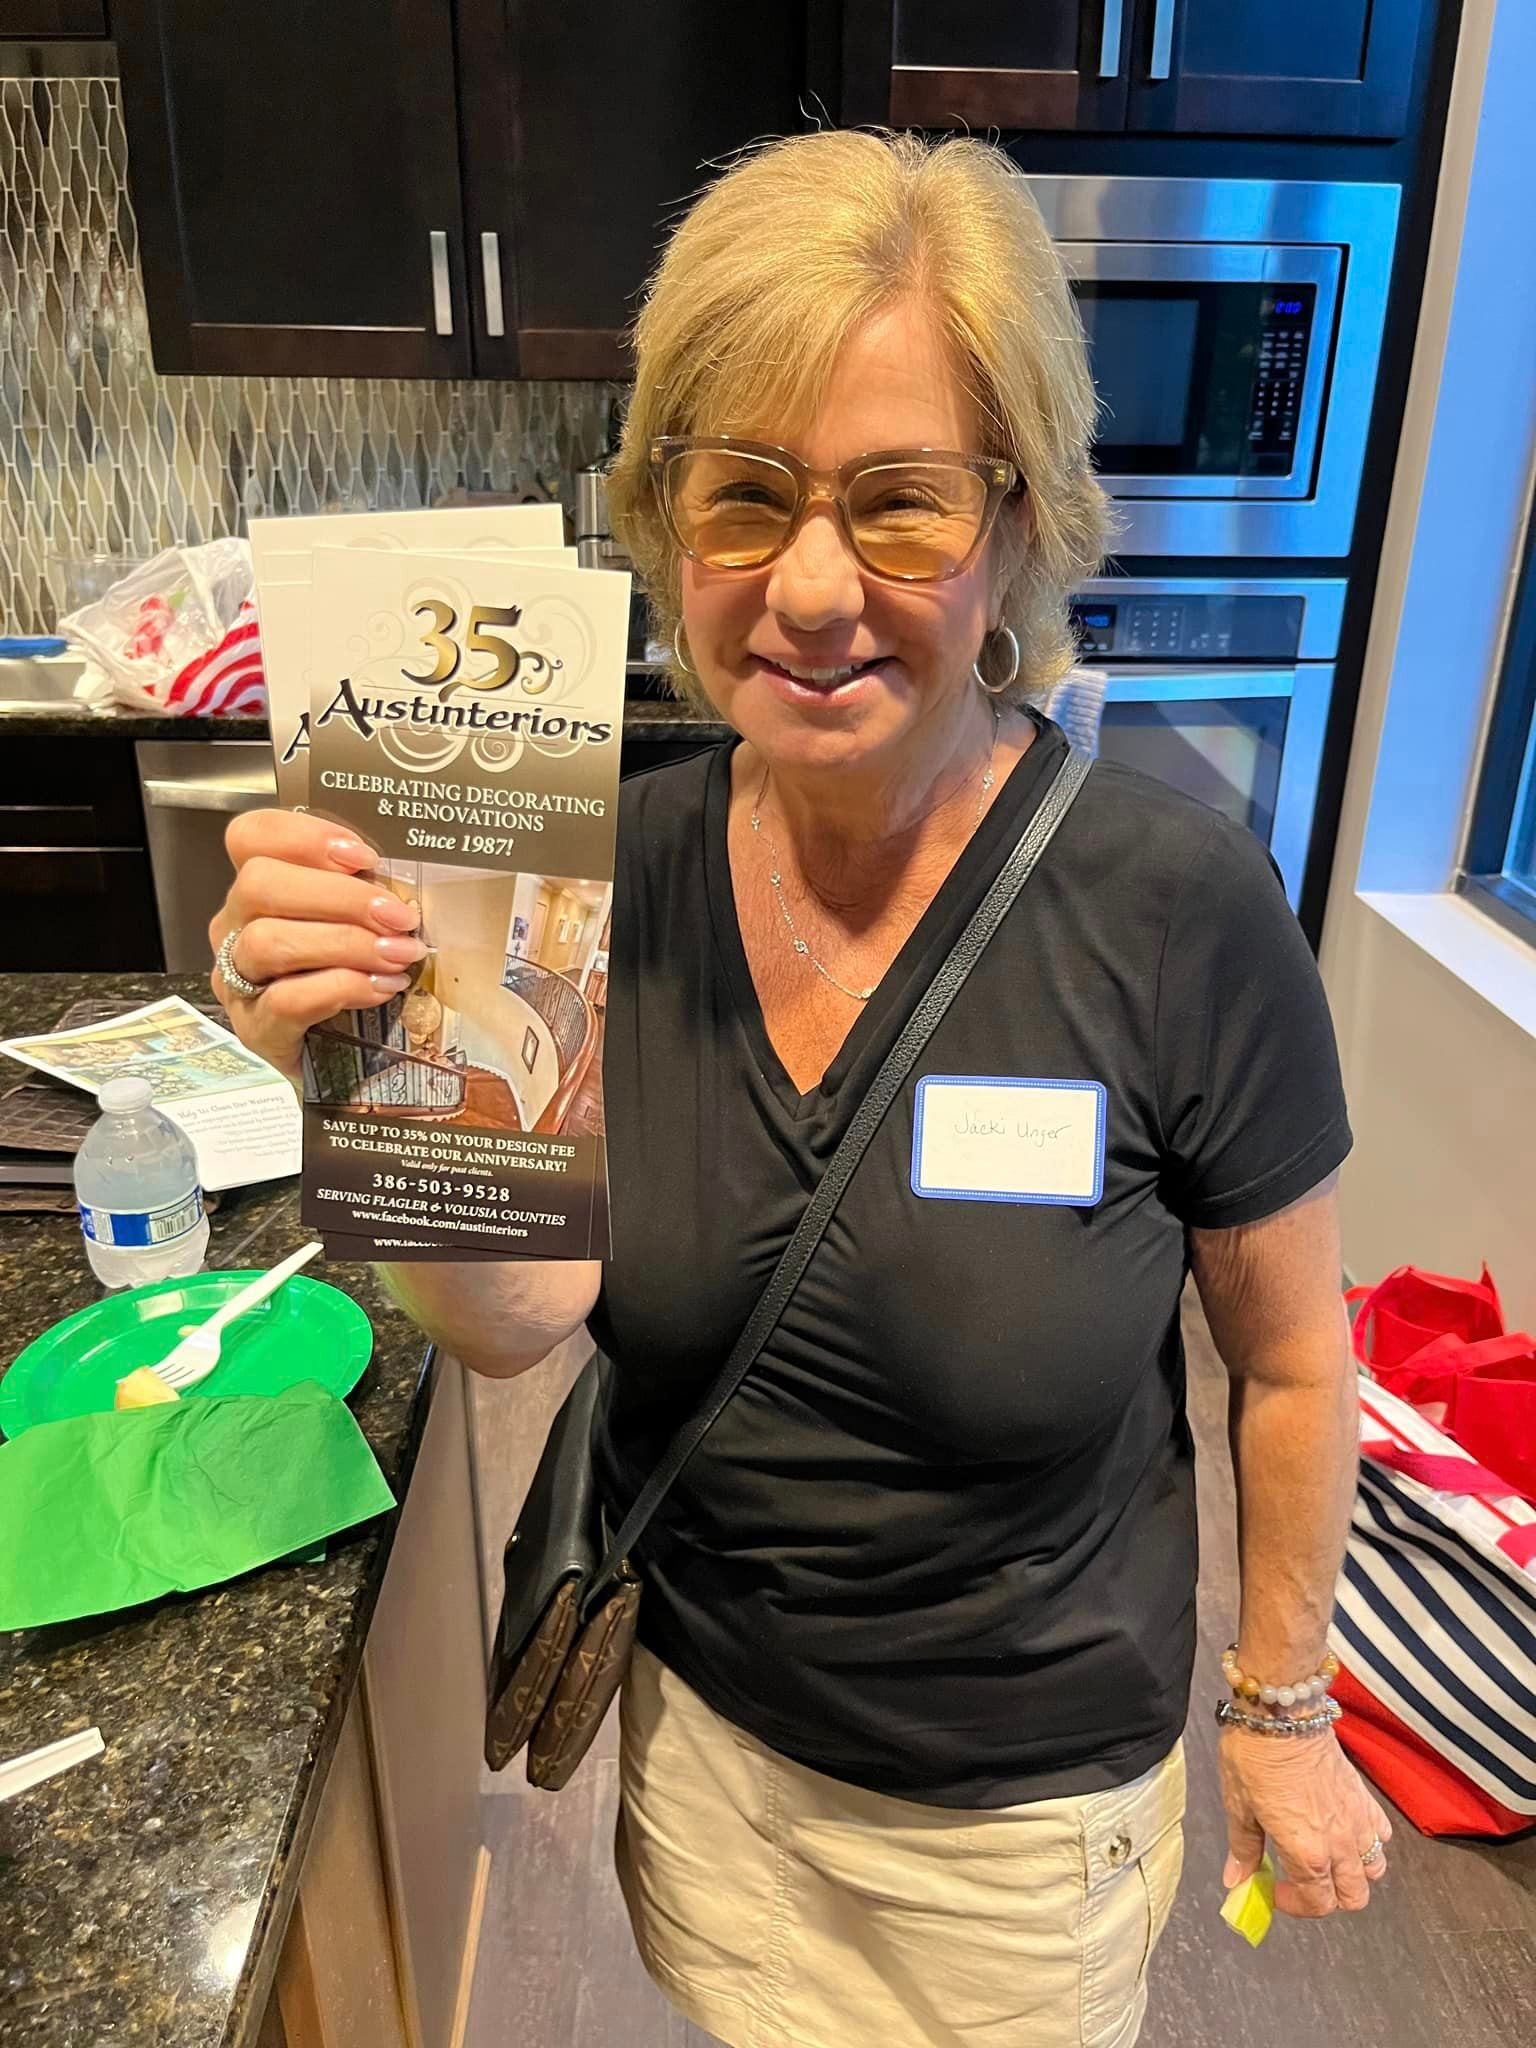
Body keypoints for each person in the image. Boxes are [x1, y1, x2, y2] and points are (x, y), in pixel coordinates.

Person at [211, 129, 1391, 2048]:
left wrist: (1283, 1708)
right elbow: (518, 1327)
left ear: (1019, 529)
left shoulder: (1175, 911)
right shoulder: (590, 878)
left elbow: (1294, 1362)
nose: (815, 587)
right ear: (664, 519)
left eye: (903, 504)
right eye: (745, 495)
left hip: (1019, 1837)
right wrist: (372, 1090)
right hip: (707, 1762)